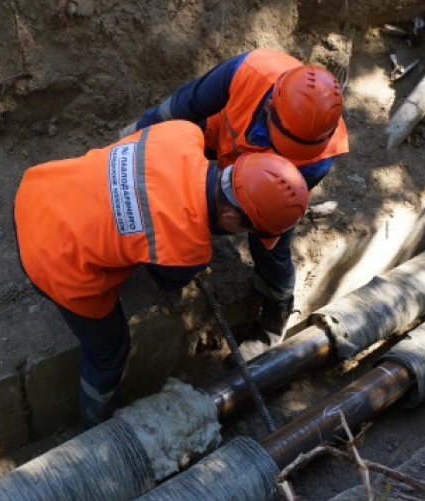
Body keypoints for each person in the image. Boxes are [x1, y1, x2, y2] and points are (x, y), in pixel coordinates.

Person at [14, 120, 309, 429]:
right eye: (249, 230)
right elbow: (167, 281)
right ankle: (96, 427)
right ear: (229, 216)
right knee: (109, 352)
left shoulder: (183, 133)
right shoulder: (187, 246)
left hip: (38, 191)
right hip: (50, 259)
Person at [118, 48, 348, 347]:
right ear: (269, 107)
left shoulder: (318, 157)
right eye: (284, 143)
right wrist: (129, 142)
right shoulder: (249, 71)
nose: (286, 152)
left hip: (267, 183)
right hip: (222, 137)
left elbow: (259, 213)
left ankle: (275, 312)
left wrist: (198, 227)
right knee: (173, 139)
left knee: (270, 244)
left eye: (296, 148)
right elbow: (181, 107)